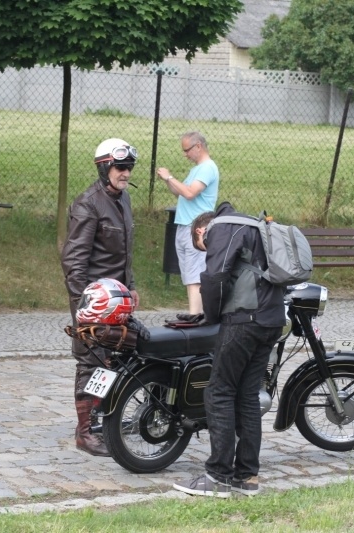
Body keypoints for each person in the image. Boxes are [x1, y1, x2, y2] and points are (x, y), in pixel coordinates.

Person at [173, 201, 285, 498]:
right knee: (247, 396)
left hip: (244, 320)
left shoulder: (222, 228)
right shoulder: (252, 225)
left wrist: (210, 316)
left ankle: (218, 477)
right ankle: (247, 478)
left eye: (202, 247)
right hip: (272, 319)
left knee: (219, 392)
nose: (206, 250)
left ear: (200, 231)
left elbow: (215, 277)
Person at [61, 138, 140, 456]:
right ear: (105, 167)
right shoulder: (88, 204)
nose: (126, 173)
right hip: (93, 300)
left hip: (118, 298)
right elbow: (73, 260)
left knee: (116, 359)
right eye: (120, 167)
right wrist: (84, 307)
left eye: (129, 167)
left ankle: (102, 420)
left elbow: (125, 251)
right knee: (91, 361)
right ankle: (84, 432)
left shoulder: (124, 199)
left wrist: (131, 286)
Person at [157, 132, 219, 315]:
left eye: (187, 150)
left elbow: (190, 193)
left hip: (196, 228)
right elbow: (180, 192)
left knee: (195, 276)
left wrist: (170, 177)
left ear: (198, 146)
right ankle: (196, 315)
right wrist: (168, 181)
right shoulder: (197, 169)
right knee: (189, 275)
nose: (185, 155)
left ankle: (195, 317)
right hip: (185, 225)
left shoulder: (207, 168)